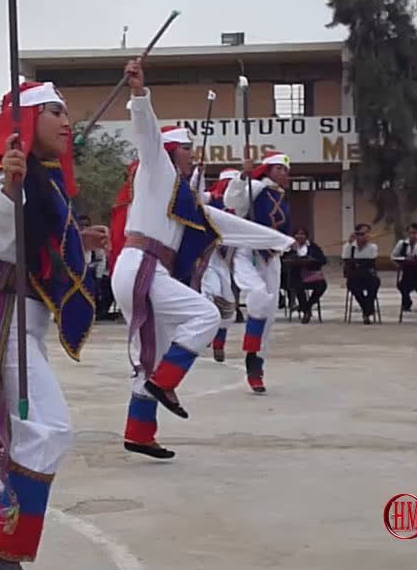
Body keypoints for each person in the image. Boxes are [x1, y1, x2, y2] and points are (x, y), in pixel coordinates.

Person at [0, 79, 105, 570]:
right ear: (27, 120)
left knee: (18, 445)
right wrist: (7, 192)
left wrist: (79, 239)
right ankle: (1, 557)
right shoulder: (5, 174)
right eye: (55, 112)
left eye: (67, 112)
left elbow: (30, 242)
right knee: (48, 431)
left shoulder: (40, 179)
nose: (67, 122)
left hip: (18, 319)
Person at [110, 59, 293, 457]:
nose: (193, 156)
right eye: (188, 149)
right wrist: (139, 94)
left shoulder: (181, 198)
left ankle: (139, 432)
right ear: (172, 152)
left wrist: (278, 240)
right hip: (142, 266)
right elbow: (147, 134)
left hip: (142, 270)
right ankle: (166, 382)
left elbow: (223, 222)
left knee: (152, 357)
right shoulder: (156, 170)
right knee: (207, 315)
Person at [225, 151, 297, 393]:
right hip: (247, 253)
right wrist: (243, 177)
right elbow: (233, 202)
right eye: (279, 168)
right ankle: (251, 356)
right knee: (257, 294)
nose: (283, 173)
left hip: (271, 258)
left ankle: (256, 362)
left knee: (270, 312)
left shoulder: (282, 196)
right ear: (268, 170)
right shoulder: (256, 187)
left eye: (286, 169)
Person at [198, 168, 241, 360]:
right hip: (207, 259)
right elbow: (197, 196)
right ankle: (203, 335)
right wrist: (199, 174)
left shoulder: (241, 208)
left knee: (227, 302)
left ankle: (219, 344)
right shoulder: (210, 199)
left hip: (226, 262)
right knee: (210, 297)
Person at [281, 227, 328, 324]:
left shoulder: (313, 246)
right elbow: (283, 261)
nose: (300, 236)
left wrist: (311, 260)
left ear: (306, 236)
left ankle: (307, 307)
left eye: (302, 234)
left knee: (322, 286)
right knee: (298, 287)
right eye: (297, 234)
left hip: (311, 275)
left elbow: (323, 260)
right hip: (295, 276)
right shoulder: (289, 247)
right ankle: (306, 312)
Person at [342, 223, 380, 323]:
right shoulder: (349, 246)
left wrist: (358, 263)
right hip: (354, 276)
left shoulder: (372, 247)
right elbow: (346, 259)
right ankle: (367, 309)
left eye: (367, 233)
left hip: (368, 275)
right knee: (353, 287)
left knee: (374, 285)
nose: (364, 236)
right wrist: (350, 244)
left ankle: (366, 311)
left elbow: (371, 261)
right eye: (361, 234)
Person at [391, 222, 417, 313]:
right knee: (402, 285)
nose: (412, 235)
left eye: (415, 233)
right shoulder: (402, 243)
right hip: (408, 273)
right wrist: (404, 259)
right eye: (410, 233)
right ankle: (407, 303)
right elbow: (393, 256)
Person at [80, 214, 114, 320]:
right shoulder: (73, 239)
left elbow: (101, 260)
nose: (84, 227)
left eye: (87, 225)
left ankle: (101, 312)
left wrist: (99, 277)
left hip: (94, 271)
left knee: (107, 284)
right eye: (82, 225)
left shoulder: (94, 238)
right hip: (79, 272)